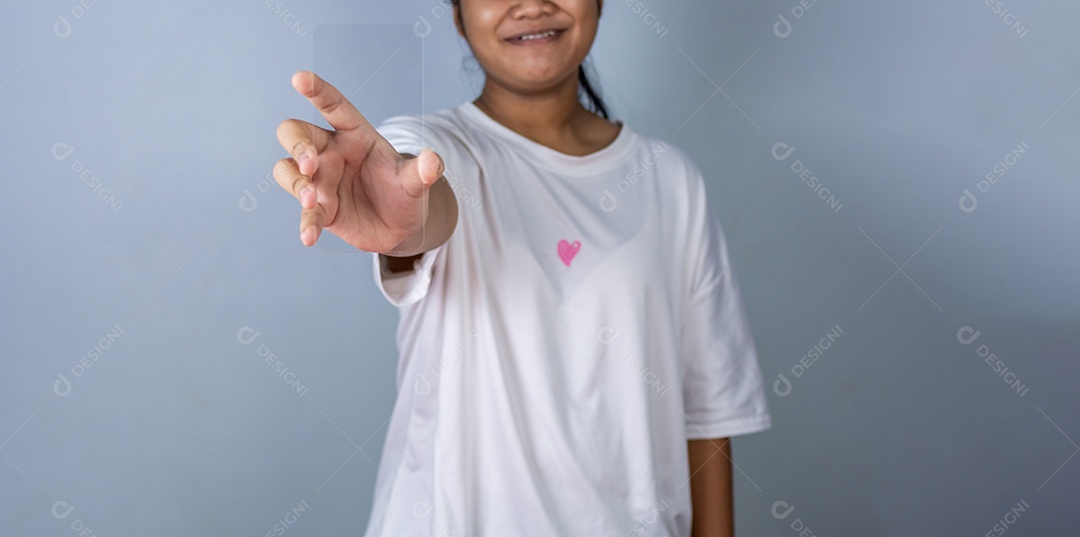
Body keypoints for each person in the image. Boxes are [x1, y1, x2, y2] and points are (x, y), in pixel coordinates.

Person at [272, 0, 771, 535]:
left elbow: (710, 414)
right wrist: (403, 216)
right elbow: (423, 197)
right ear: (458, 14)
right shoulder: (432, 151)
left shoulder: (670, 181)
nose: (532, 5)